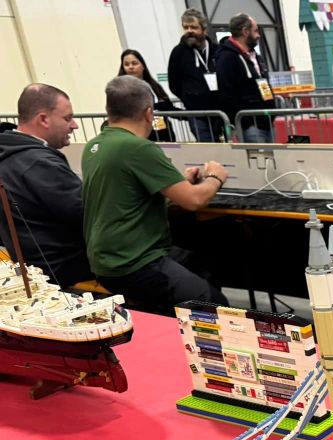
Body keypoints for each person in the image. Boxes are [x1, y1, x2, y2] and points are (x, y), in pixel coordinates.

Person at [82, 76, 229, 313]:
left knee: (202, 265)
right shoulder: (138, 148)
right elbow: (195, 200)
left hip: (105, 260)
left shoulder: (95, 146)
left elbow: (129, 196)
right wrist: (216, 176)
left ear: (109, 110)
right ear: (149, 113)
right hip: (134, 262)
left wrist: (177, 184)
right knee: (217, 307)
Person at [0, 84, 92, 287]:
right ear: (43, 119)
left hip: (35, 265)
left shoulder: (9, 154)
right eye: (67, 118)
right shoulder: (39, 163)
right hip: (65, 267)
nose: (75, 125)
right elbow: (89, 215)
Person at [216, 12, 275, 143]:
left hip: (266, 120)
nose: (259, 35)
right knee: (258, 155)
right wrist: (245, 122)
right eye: (256, 31)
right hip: (250, 125)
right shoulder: (227, 58)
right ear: (245, 32)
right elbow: (227, 93)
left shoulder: (255, 56)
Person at [167, 7, 223, 142]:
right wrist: (190, 97)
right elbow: (174, 83)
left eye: (194, 27)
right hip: (197, 114)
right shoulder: (178, 52)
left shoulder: (218, 50)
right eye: (186, 27)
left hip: (221, 111)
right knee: (208, 147)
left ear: (204, 30)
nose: (189, 31)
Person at [119, 48, 177, 141]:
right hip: (139, 134)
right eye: (126, 64)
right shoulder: (120, 89)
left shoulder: (153, 86)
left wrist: (190, 115)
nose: (131, 67)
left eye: (134, 63)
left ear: (143, 66)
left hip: (162, 131)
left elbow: (168, 107)